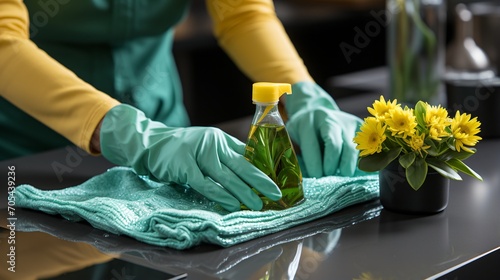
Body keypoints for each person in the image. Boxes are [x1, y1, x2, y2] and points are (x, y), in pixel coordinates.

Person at [0, 0, 362, 212]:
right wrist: (133, 137)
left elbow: (242, 13)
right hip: (33, 149)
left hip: (169, 129)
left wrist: (300, 91)